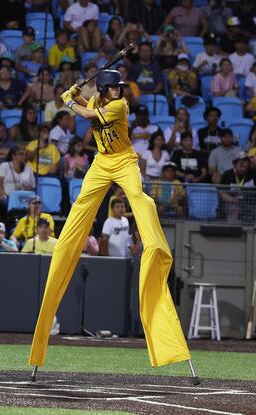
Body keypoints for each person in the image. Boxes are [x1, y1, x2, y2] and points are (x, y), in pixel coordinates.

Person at [30, 69, 191, 371]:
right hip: (102, 163)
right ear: (104, 89)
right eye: (115, 87)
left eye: (119, 87)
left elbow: (94, 115)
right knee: (80, 205)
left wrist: (70, 102)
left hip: (125, 161)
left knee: (140, 198)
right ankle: (67, 243)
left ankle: (153, 237)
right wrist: (75, 96)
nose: (120, 90)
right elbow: (89, 107)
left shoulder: (120, 106)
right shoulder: (98, 100)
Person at [0, 146, 36, 216]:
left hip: (20, 198)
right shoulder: (5, 166)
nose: (24, 156)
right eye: (21, 154)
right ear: (13, 156)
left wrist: (28, 187)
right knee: (2, 205)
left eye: (25, 154)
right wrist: (3, 195)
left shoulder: (28, 168)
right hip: (2, 195)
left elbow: (33, 187)